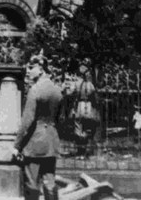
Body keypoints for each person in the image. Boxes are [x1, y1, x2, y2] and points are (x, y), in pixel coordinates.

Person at [12, 54, 63, 200]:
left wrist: (17, 145)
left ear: (40, 69)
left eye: (31, 67)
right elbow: (60, 118)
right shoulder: (57, 90)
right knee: (50, 181)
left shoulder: (35, 90)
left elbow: (27, 121)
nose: (28, 71)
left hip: (34, 142)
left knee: (31, 183)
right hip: (51, 142)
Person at [71, 61, 98, 158]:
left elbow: (72, 94)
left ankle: (79, 151)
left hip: (79, 106)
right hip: (88, 106)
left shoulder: (77, 83)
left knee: (78, 128)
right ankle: (83, 152)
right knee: (86, 129)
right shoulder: (90, 85)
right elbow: (94, 97)